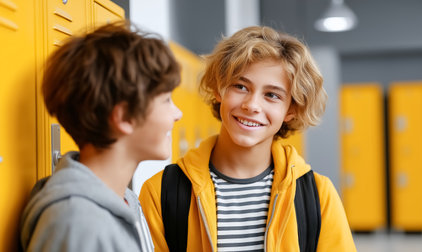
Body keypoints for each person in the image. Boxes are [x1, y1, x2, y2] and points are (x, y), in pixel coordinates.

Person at [139, 26, 356, 251]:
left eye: (272, 95)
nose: (252, 105)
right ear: (219, 88)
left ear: (291, 110)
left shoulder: (318, 196)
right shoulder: (161, 193)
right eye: (241, 86)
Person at [20, 21, 182, 252]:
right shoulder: (75, 221)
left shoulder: (126, 200)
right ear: (124, 117)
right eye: (166, 100)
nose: (178, 113)